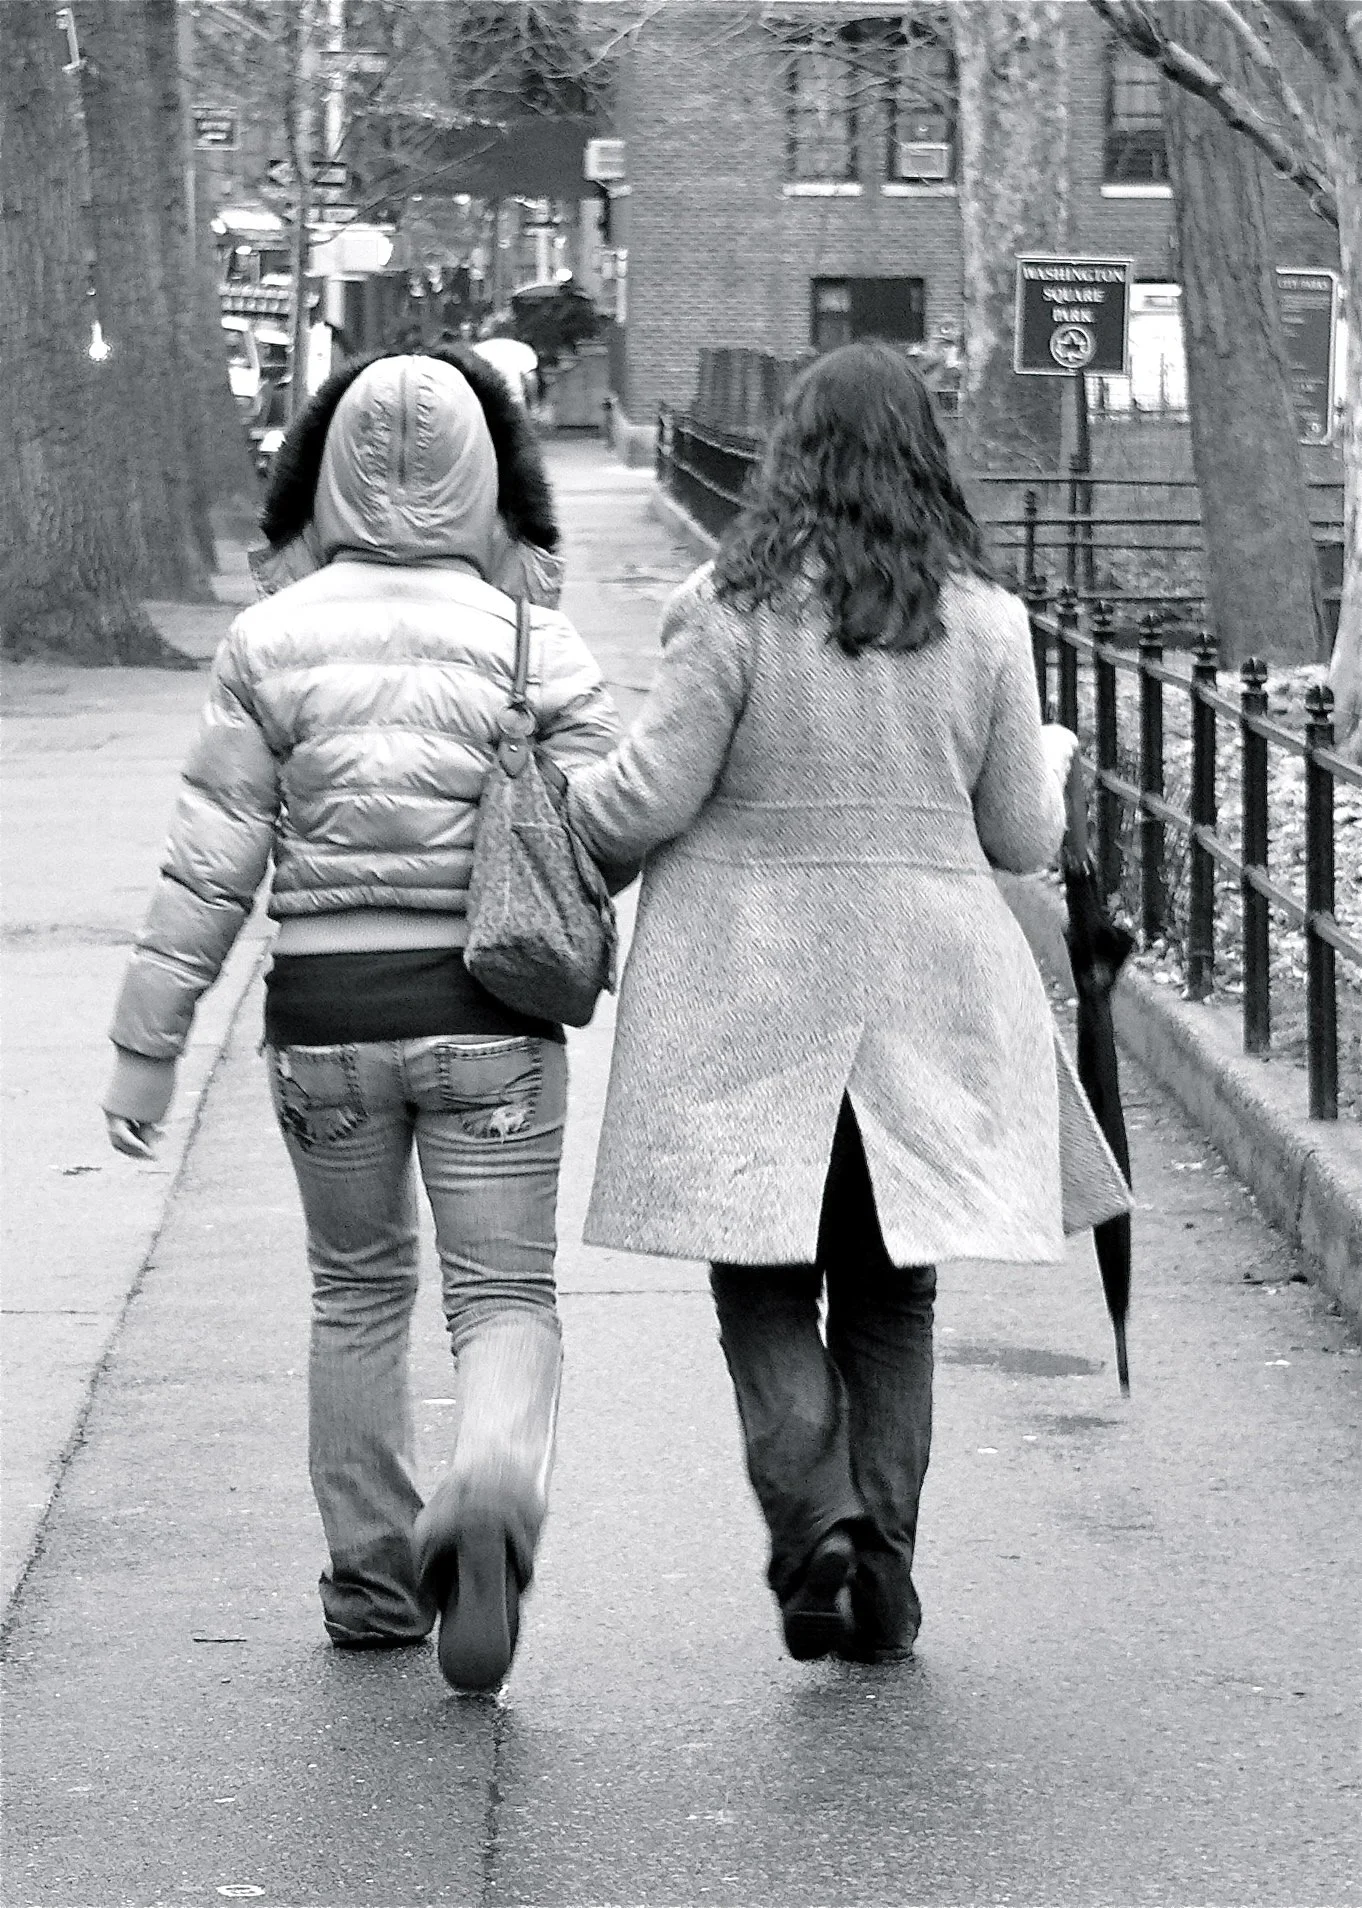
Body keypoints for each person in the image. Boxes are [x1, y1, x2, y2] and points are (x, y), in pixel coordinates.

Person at [565, 342, 1130, 1665]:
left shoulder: (728, 606)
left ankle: (816, 1515)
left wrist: (556, 808)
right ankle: (882, 1566)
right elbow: (1015, 831)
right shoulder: (984, 621)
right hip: (926, 1004)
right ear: (922, 457)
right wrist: (1042, 751)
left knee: (761, 1283)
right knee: (892, 1298)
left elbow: (645, 802)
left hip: (745, 1001)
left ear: (792, 454)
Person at [103, 348, 621, 1692]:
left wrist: (145, 1052)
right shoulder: (532, 638)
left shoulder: (268, 638)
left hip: (323, 1014)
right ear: (481, 477)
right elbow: (606, 829)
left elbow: (210, 859)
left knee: (355, 1296)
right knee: (504, 1294)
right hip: (489, 1015)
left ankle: (373, 1584)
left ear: (329, 468)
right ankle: (493, 1479)